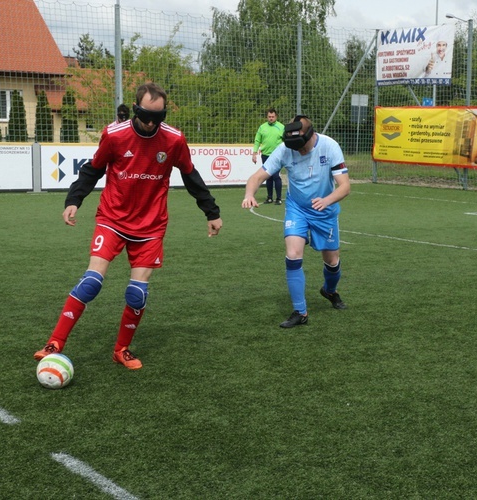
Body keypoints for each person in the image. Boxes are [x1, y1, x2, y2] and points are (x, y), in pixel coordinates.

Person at [34, 82, 223, 369]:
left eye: (158, 118)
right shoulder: (114, 135)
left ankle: (121, 349)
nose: (151, 123)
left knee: (137, 293)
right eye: (146, 115)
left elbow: (190, 175)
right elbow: (93, 168)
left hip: (150, 226)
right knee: (91, 283)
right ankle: (55, 342)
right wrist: (74, 199)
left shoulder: (173, 140)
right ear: (135, 109)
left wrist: (211, 211)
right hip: (112, 218)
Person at [242, 115, 351, 328]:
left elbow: (345, 186)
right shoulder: (285, 149)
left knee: (332, 260)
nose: (298, 152)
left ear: (310, 136)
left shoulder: (330, 146)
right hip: (297, 209)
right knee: (292, 255)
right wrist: (249, 194)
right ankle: (300, 312)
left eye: (301, 147)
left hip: (324, 210)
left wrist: (326, 200)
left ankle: (330, 290)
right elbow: (256, 178)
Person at [251, 108, 285, 205]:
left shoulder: (281, 127)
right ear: (267, 117)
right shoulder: (262, 127)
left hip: (277, 156)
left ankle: (278, 198)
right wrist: (254, 153)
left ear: (276, 117)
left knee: (275, 176)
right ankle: (269, 197)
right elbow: (257, 141)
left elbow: (286, 141)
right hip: (265, 155)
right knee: (268, 177)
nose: (271, 118)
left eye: (272, 117)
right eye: (269, 117)